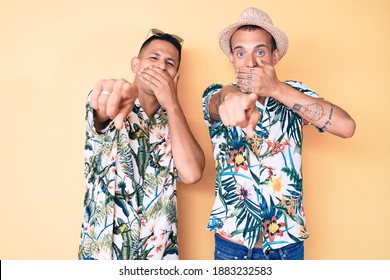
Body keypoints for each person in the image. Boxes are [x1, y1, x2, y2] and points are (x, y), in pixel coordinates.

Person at [202, 7, 356, 260]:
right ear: (231, 58)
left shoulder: (293, 92)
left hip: (288, 245)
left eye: (260, 52)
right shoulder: (217, 93)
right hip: (233, 245)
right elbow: (219, 100)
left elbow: (346, 127)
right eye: (241, 53)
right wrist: (230, 96)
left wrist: (276, 89)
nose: (250, 62)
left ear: (275, 56)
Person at [78, 28, 205, 260]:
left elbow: (193, 173)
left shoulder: (175, 124)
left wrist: (173, 104)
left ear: (176, 76)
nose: (160, 67)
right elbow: (101, 108)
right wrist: (113, 94)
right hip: (103, 255)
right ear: (135, 64)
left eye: (170, 63)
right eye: (153, 58)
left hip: (158, 257)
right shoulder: (112, 102)